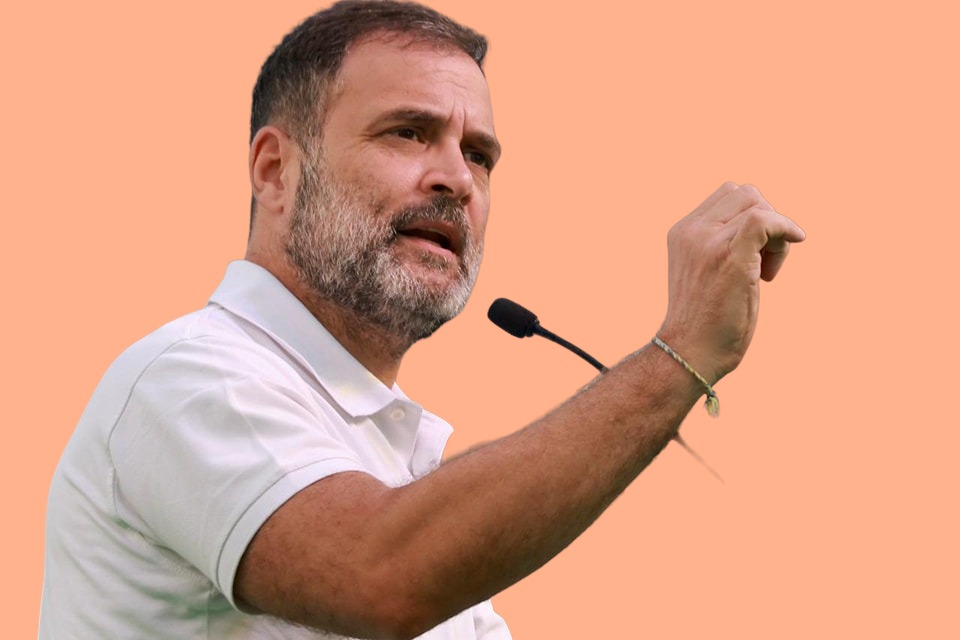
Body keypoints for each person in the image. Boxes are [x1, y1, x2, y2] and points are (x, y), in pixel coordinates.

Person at [39, 1, 805, 638]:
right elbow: (380, 576)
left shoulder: (399, 467)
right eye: (408, 132)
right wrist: (677, 355)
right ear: (275, 171)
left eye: (481, 155)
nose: (457, 179)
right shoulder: (187, 377)